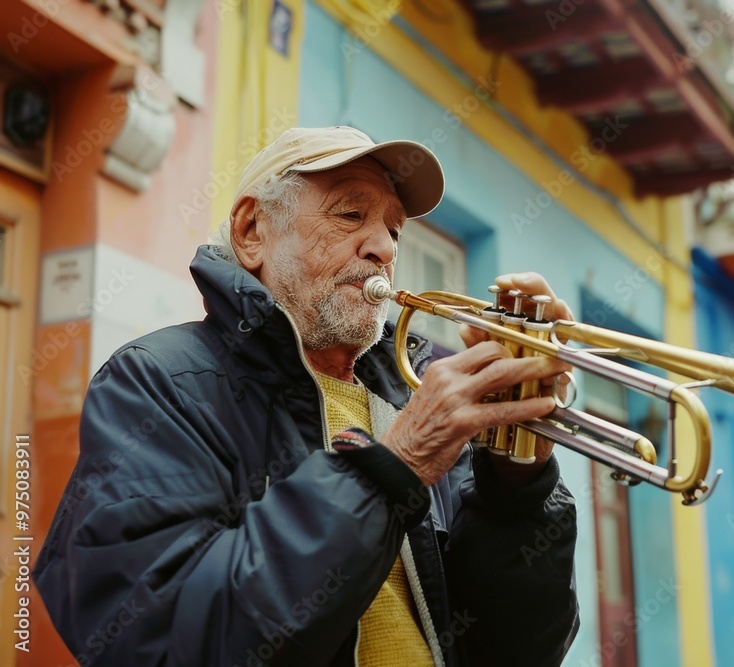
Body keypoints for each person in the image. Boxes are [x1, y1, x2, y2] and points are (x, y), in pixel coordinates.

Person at [35, 126, 580, 666]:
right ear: (252, 232)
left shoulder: (411, 394)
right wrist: (395, 465)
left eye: (395, 229)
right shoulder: (157, 382)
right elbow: (164, 641)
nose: (385, 246)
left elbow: (519, 649)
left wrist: (517, 484)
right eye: (350, 215)